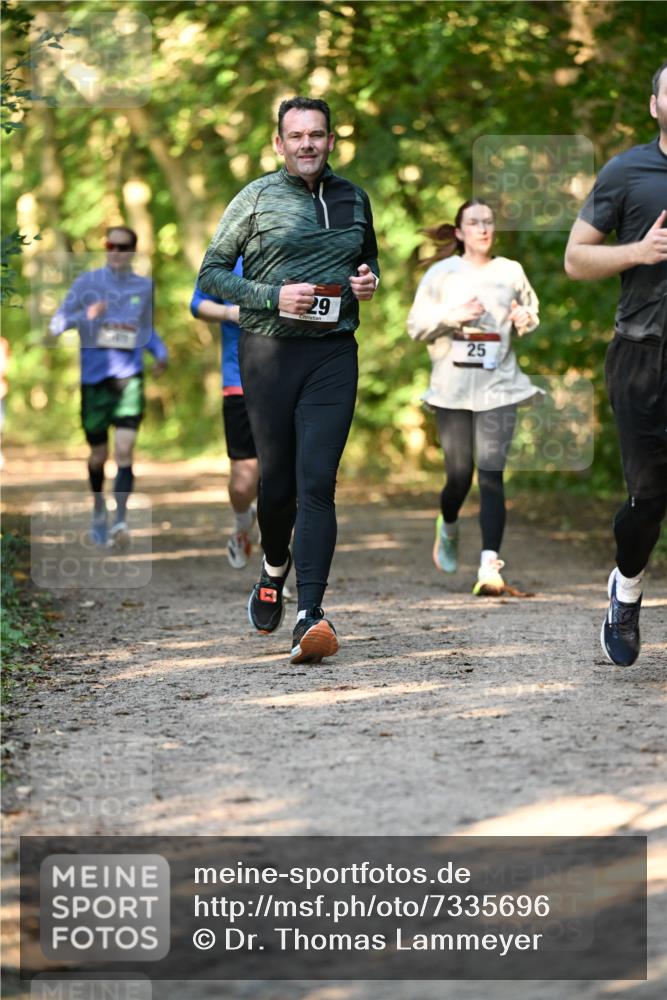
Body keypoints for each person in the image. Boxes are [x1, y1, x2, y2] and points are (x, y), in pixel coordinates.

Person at [198, 95, 379, 664]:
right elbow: (211, 274)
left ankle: (311, 614)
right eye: (296, 135)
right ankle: (273, 566)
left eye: (317, 134)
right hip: (269, 354)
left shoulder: (355, 198)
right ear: (279, 143)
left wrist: (368, 284)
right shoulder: (254, 198)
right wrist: (273, 296)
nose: (307, 144)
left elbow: (366, 263)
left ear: (331, 141)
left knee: (317, 482)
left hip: (331, 355)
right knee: (276, 485)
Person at [565, 62, 667, 667]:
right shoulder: (628, 172)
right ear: (655, 103)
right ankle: (626, 590)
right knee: (649, 498)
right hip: (642, 354)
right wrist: (642, 251)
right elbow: (577, 259)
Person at [407, 199, 540, 595]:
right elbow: (416, 326)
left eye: (489, 222)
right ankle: (448, 524)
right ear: (460, 232)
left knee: (492, 473)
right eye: (474, 223)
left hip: (500, 387)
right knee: (459, 477)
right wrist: (453, 317)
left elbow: (530, 314)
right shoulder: (441, 274)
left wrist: (523, 319)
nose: (483, 229)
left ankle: (489, 566)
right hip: (452, 391)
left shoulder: (510, 271)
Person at [49, 226, 168, 548]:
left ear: (133, 250)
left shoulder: (144, 286)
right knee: (98, 455)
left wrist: (161, 353)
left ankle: (120, 521)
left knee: (125, 450)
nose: (116, 250)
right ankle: (99, 508)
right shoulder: (87, 283)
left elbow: (145, 330)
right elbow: (56, 324)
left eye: (123, 246)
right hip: (94, 382)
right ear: (105, 248)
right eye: (110, 245)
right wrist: (84, 316)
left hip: (129, 377)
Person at [190, 257, 260, 569]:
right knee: (244, 484)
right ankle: (243, 524)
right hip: (240, 382)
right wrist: (232, 312)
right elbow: (198, 304)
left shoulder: (294, 245)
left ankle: (278, 568)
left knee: (284, 481)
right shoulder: (228, 258)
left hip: (290, 381)